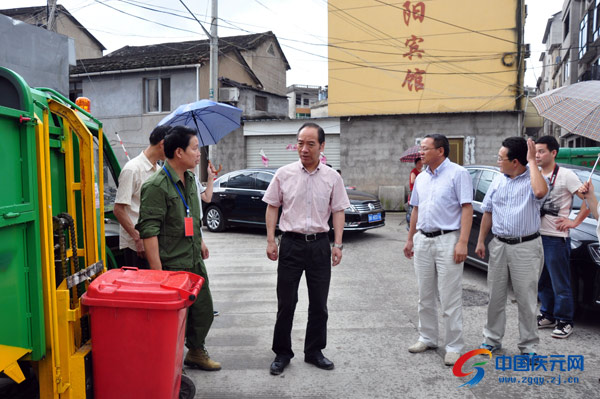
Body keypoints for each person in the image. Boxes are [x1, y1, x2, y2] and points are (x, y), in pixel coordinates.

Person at [263, 122, 350, 376]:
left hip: (320, 246)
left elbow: (338, 210)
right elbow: (272, 206)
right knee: (286, 302)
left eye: (311, 144)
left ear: (322, 146)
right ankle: (282, 353)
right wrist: (271, 240)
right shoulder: (284, 173)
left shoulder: (332, 177)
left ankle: (314, 351)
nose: (304, 148)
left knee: (319, 304)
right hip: (290, 244)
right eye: (300, 143)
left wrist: (338, 244)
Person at [136, 126, 220, 371]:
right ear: (179, 152)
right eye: (195, 149)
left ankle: (195, 352)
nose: (198, 154)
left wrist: (200, 241)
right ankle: (167, 364)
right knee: (172, 322)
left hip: (193, 259)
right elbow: (149, 231)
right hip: (172, 266)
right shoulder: (156, 185)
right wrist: (158, 273)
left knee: (203, 312)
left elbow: (191, 215)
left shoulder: (191, 178)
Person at [403, 134, 473, 367]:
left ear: (440, 151)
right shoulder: (422, 178)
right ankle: (428, 337)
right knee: (425, 294)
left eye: (425, 149)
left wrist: (463, 242)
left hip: (448, 240)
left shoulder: (458, 174)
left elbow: (466, 208)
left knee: (449, 296)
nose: (420, 152)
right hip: (423, 239)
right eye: (420, 148)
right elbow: (415, 209)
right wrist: (410, 238)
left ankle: (454, 346)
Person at [475, 137, 548, 357]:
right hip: (499, 245)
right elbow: (488, 211)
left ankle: (528, 346)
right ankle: (492, 339)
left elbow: (539, 193)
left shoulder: (535, 180)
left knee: (526, 299)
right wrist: (481, 240)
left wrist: (532, 162)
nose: (498, 161)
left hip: (525, 246)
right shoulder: (498, 180)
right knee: (495, 297)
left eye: (501, 158)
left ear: (515, 161)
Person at [535, 136, 589, 339]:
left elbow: (589, 201)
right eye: (536, 152)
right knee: (543, 281)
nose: (538, 155)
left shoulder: (566, 175)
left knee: (560, 282)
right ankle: (547, 314)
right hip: (536, 236)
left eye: (541, 151)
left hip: (556, 237)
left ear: (553, 153)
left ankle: (565, 320)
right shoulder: (536, 173)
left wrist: (574, 223)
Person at [113, 125, 169, 269]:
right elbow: (119, 210)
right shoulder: (132, 169)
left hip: (153, 242)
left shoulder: (158, 170)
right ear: (162, 144)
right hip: (136, 247)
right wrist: (137, 238)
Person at [406, 157, 423, 228]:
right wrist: (420, 177)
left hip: (420, 191)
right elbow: (412, 180)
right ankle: (409, 224)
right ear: (416, 164)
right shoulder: (414, 171)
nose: (420, 164)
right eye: (418, 163)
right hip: (414, 191)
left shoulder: (422, 171)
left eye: (421, 162)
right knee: (412, 208)